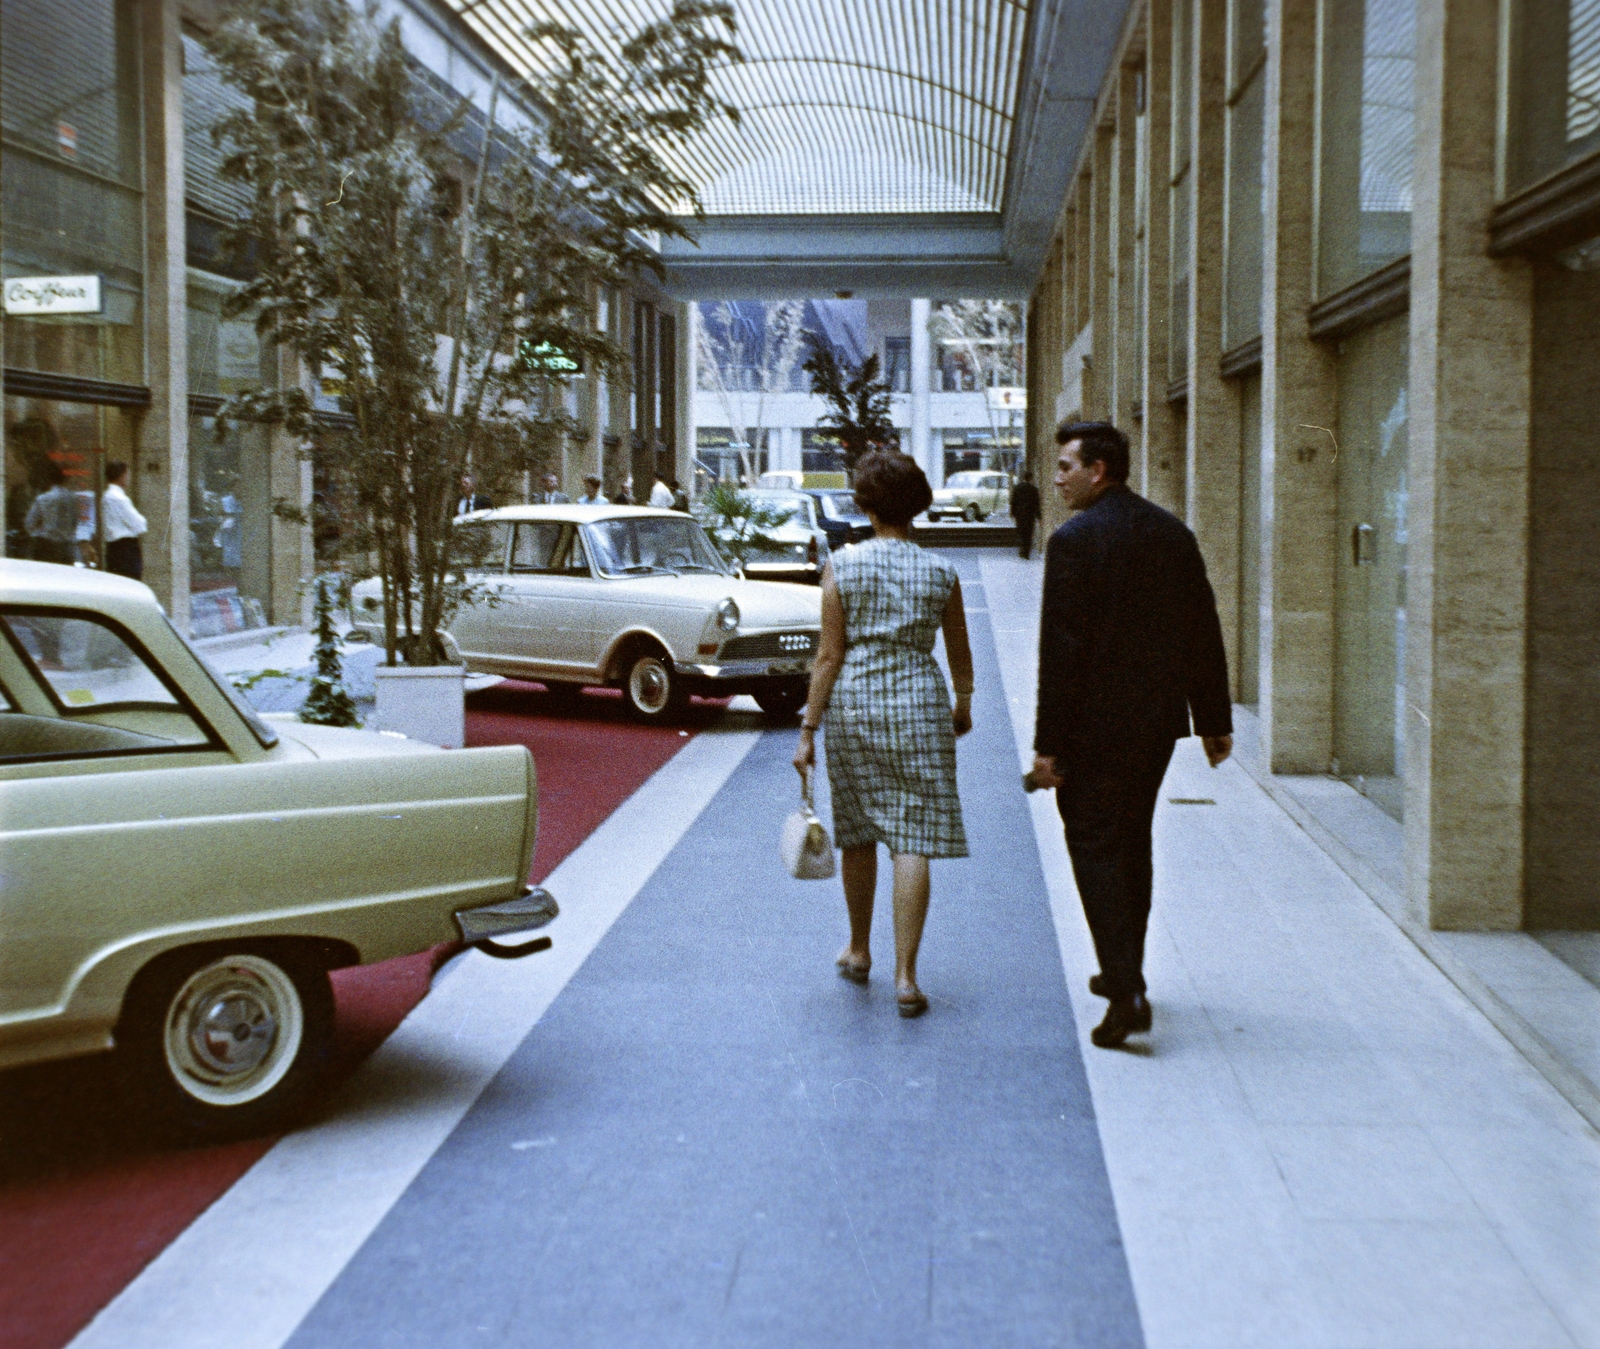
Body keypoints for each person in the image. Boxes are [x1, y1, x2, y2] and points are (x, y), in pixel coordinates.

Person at [1029, 421, 1232, 1049]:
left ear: (1100, 469)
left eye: (1066, 466)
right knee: (1132, 844)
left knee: (1093, 845)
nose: (1056, 478)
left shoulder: (1073, 542)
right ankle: (1126, 970)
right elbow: (1202, 626)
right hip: (1152, 728)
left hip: (1091, 733)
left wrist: (1047, 747)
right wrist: (1214, 721)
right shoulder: (1171, 533)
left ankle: (1124, 989)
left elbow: (1061, 656)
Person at [795, 450, 975, 1019]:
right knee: (912, 837)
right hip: (921, 703)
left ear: (866, 506)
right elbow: (959, 653)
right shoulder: (941, 572)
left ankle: (859, 948)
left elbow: (828, 656)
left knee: (858, 829)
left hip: (855, 706)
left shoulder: (841, 567)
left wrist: (808, 729)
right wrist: (962, 700)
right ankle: (906, 977)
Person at [25, 463, 79, 565]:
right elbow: (75, 521)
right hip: (67, 546)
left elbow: (29, 523)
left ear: (49, 480)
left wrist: (38, 533)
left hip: (47, 546)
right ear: (64, 480)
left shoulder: (42, 498)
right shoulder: (73, 498)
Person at [101, 461, 148, 580]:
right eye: (127, 474)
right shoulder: (119, 498)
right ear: (121, 476)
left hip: (114, 548)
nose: (128, 478)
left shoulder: (108, 496)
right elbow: (139, 524)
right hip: (125, 549)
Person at [1010, 472, 1042, 560]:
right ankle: (1026, 553)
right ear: (1031, 478)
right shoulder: (1034, 489)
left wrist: (1012, 513)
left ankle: (1022, 550)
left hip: (1019, 515)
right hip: (1030, 515)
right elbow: (1037, 503)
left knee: (1021, 532)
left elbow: (1013, 501)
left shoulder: (1017, 488)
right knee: (1029, 533)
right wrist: (1039, 516)